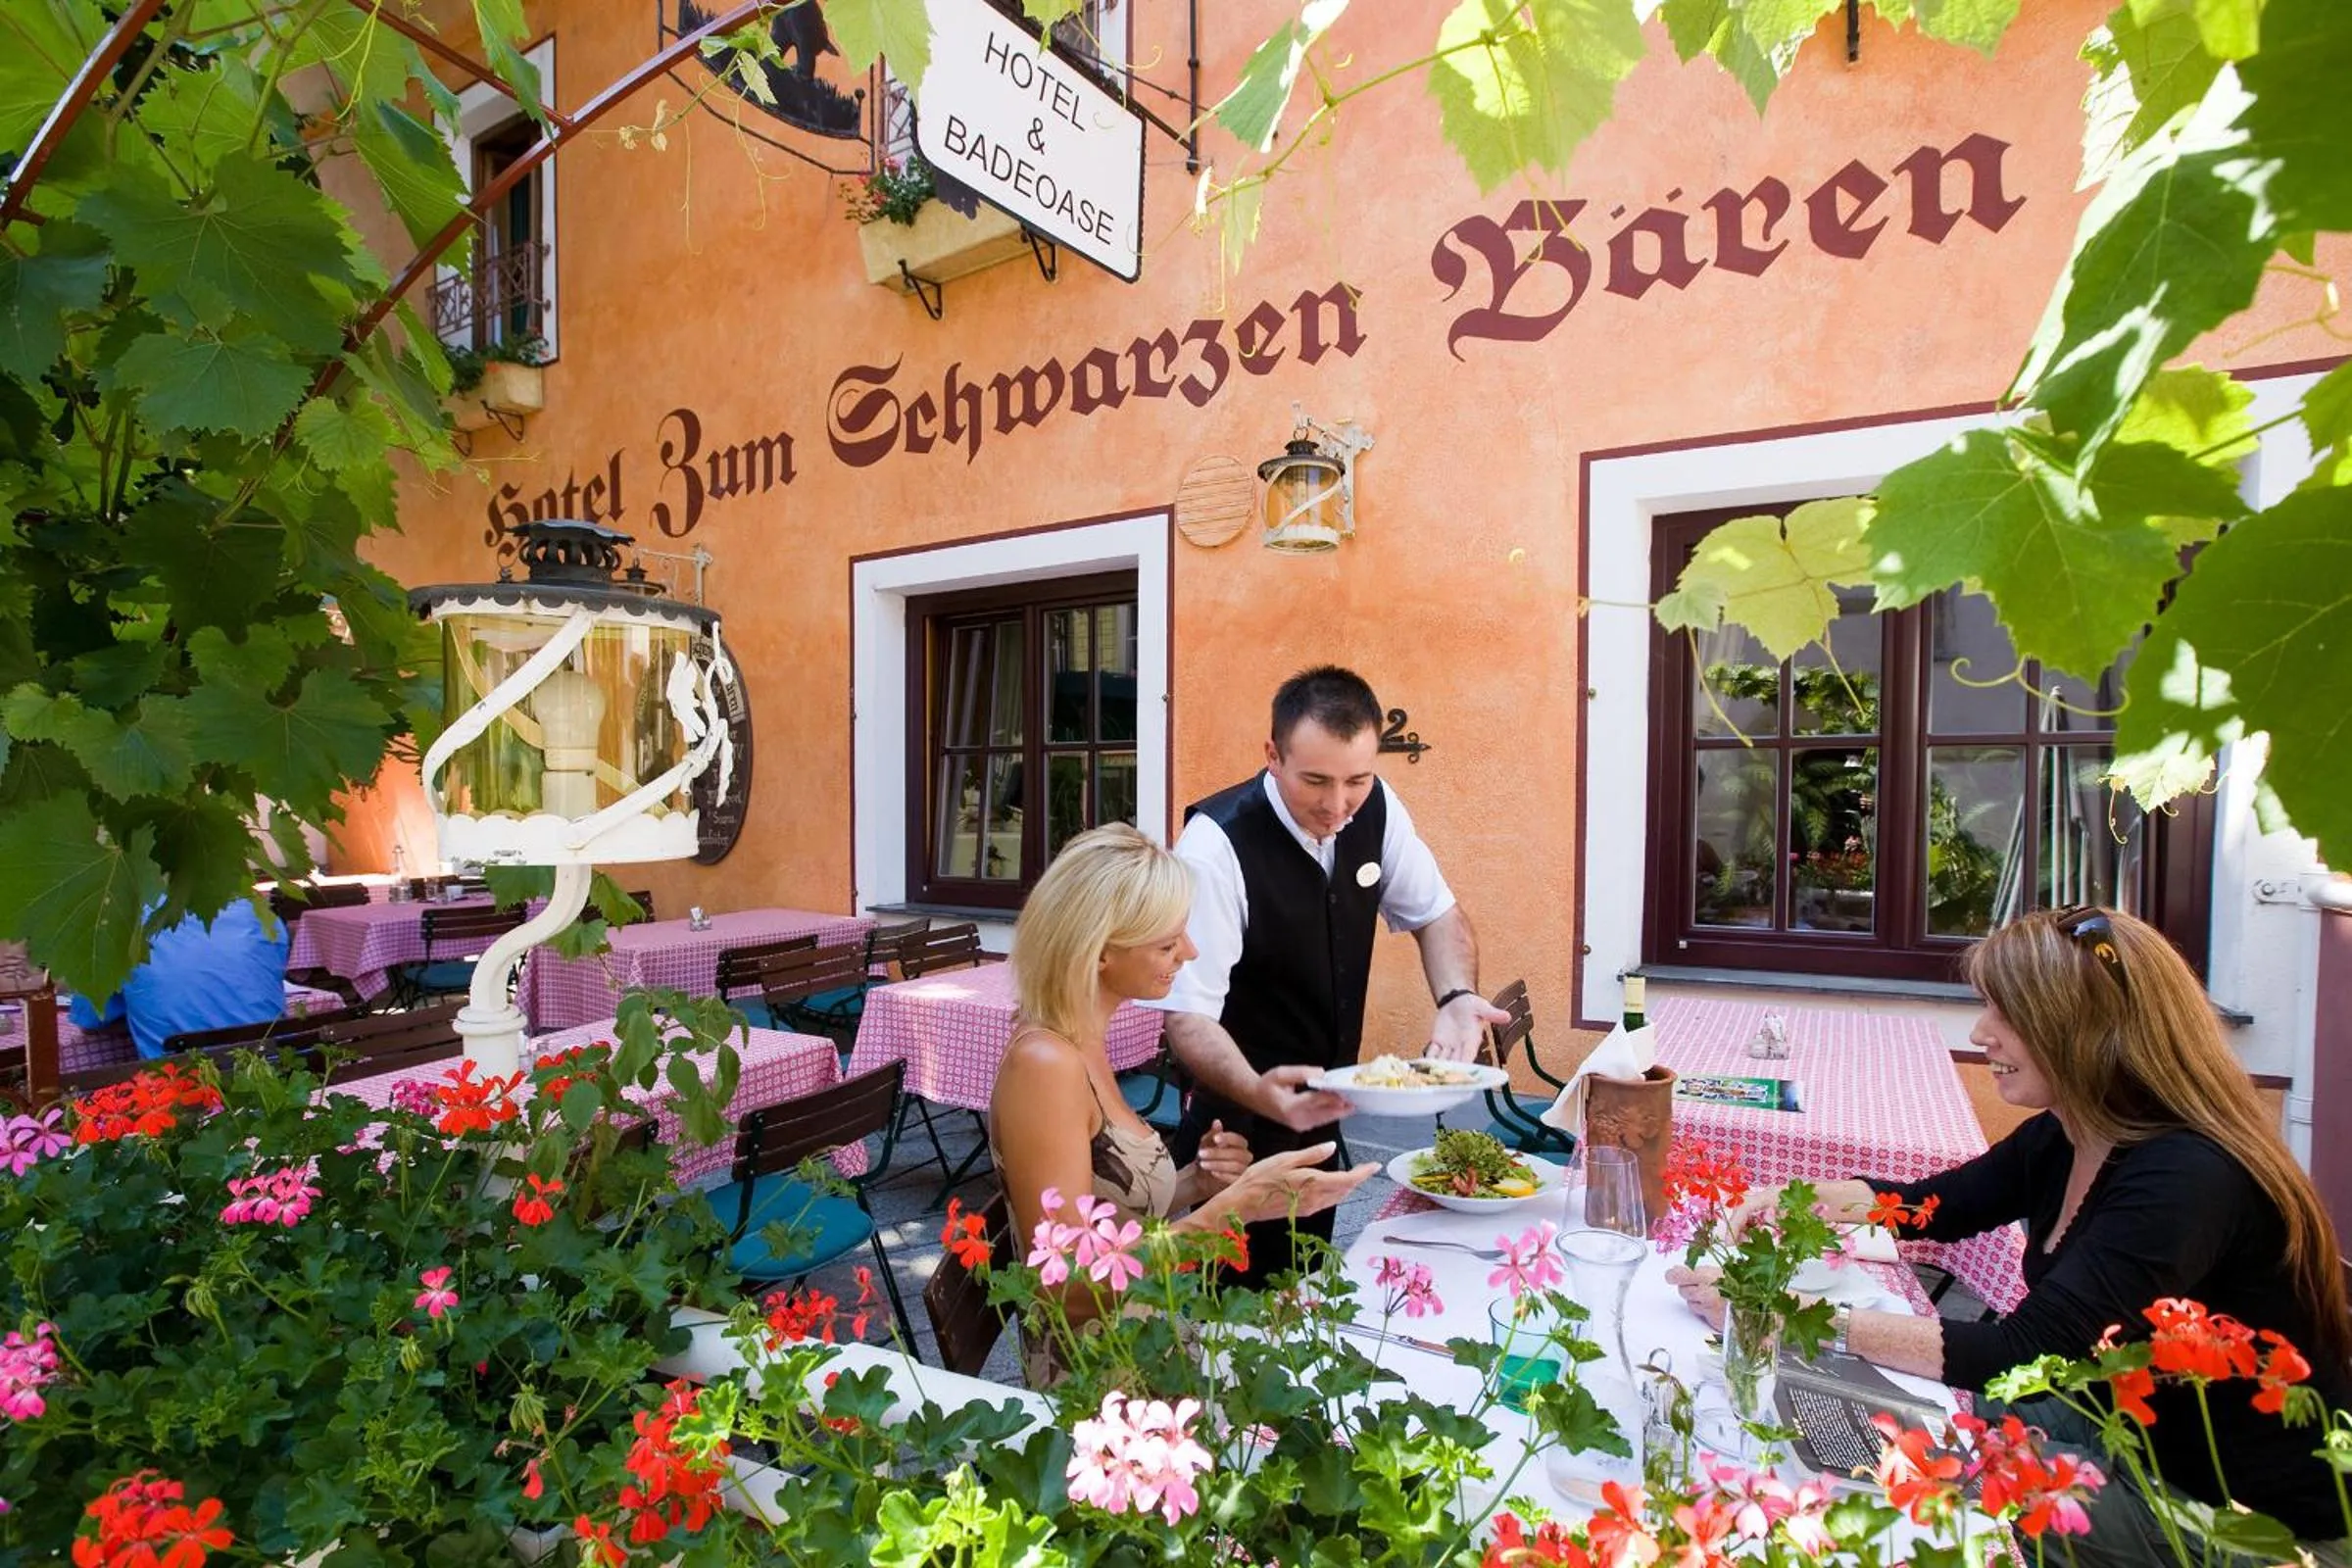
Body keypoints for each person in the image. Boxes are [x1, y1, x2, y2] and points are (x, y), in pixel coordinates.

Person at [1667, 907, 2352, 1564]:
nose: (1980, 1032)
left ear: (2086, 1030)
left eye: (2008, 1014)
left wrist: (1780, 1317)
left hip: (2228, 1517)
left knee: (1907, 1486)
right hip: (2125, 1431)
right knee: (1862, 1420)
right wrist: (1800, 1199)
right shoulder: (2075, 1129)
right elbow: (1938, 1205)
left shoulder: (2184, 1177)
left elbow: (2015, 1351)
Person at [1145, 665, 1509, 1284]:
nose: (1337, 805)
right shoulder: (1215, 845)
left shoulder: (1379, 809)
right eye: (1314, 780)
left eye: (1357, 781)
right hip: (1234, 1124)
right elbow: (1187, 1015)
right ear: (1272, 755)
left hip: (1322, 1109)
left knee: (1301, 1291)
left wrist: (1456, 994)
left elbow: (1438, 913)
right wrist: (1257, 1092)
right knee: (1230, 1311)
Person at [989, 823, 1378, 1387]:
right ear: (1099, 954)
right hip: (1104, 1391)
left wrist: (1197, 1181)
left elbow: (1106, 1201)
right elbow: (1068, 1290)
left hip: (1154, 1344)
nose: (1190, 953)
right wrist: (1229, 1213)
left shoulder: (1081, 1042)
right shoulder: (1046, 1067)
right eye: (1168, 944)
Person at [70, 899, 292, 1059]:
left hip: (178, 1096)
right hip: (268, 1084)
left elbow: (91, 1019)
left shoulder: (123, 921)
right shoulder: (261, 915)